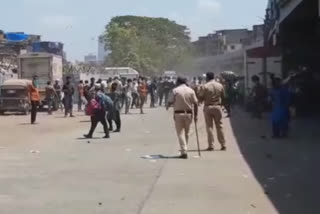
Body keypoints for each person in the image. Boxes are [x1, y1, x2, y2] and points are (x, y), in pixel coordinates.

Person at [167, 77, 198, 159]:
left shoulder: (175, 90)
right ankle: (184, 150)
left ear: (178, 82)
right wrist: (196, 115)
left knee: (180, 133)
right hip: (189, 114)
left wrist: (168, 105)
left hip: (178, 114)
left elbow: (170, 101)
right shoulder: (191, 90)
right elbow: (195, 103)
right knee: (187, 133)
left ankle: (184, 151)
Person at [198, 72, 227, 151]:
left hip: (208, 107)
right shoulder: (220, 85)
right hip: (218, 107)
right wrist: (223, 106)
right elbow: (224, 97)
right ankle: (223, 144)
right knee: (219, 126)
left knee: (209, 127)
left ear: (207, 78)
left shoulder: (205, 86)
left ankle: (211, 145)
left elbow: (200, 97)